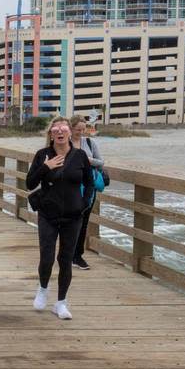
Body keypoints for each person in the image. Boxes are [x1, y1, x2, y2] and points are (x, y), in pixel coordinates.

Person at [26, 116, 94, 320]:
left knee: (65, 259)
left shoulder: (80, 156)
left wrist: (84, 204)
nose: (60, 132)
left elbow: (89, 183)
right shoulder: (42, 155)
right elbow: (29, 183)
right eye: (56, 129)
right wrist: (46, 167)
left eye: (64, 128)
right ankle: (43, 289)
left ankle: (61, 303)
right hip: (48, 214)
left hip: (73, 215)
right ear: (51, 134)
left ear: (70, 133)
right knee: (46, 257)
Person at [69, 115, 104, 270]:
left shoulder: (90, 142)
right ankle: (67, 254)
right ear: (71, 128)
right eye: (78, 129)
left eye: (84, 129)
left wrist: (88, 160)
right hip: (69, 187)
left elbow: (101, 162)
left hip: (88, 186)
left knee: (83, 221)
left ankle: (78, 256)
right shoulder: (65, 142)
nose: (81, 132)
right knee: (69, 222)